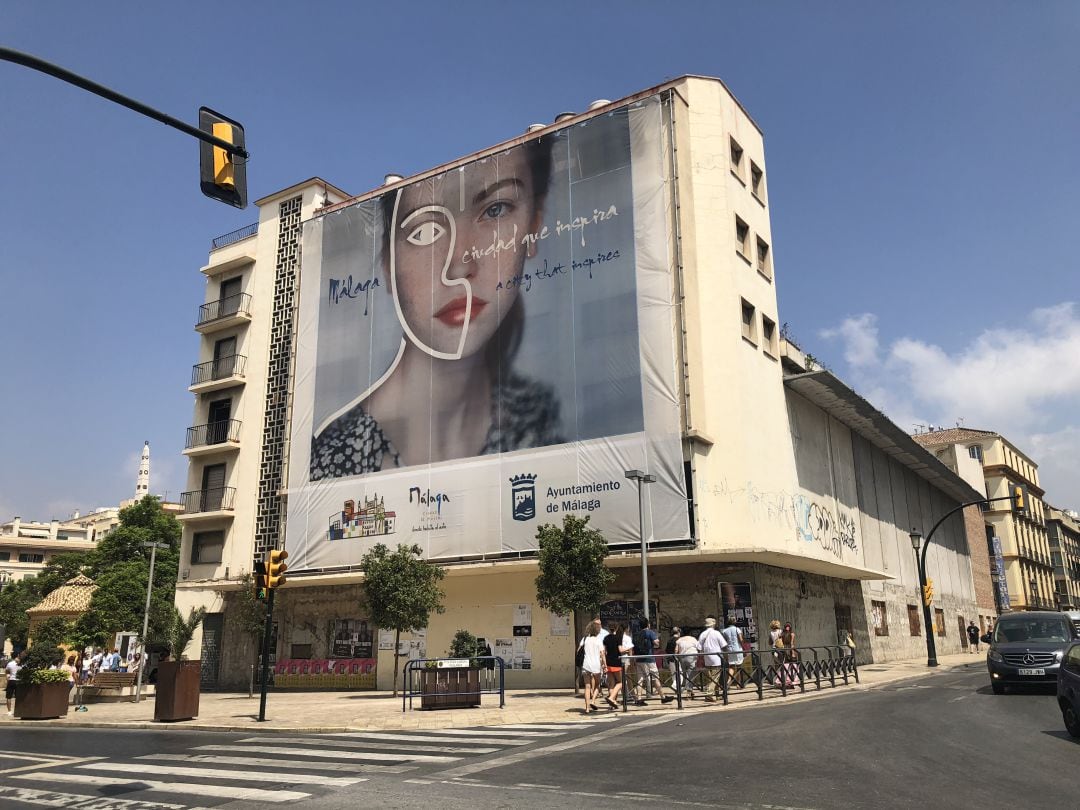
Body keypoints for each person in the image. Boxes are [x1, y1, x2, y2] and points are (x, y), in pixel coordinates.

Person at [310, 138, 562, 479]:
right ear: (387, 264)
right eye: (425, 231)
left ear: (534, 225)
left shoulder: (538, 413)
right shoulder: (331, 460)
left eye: (496, 210)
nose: (458, 267)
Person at [632, 618, 672, 705]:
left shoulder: (636, 634)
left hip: (638, 659)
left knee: (640, 679)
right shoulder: (650, 632)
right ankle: (663, 697)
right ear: (648, 624)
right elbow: (656, 643)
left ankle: (639, 699)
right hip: (649, 659)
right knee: (655, 678)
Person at [698, 617, 728, 702]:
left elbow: (699, 647)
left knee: (711, 677)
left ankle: (717, 694)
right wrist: (726, 655)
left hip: (707, 658)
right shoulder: (716, 633)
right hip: (716, 658)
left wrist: (702, 658)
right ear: (713, 624)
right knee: (715, 677)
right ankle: (709, 694)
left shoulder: (702, 634)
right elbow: (724, 645)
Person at [580, 623, 606, 714]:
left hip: (586, 664)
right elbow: (602, 654)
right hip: (596, 665)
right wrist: (605, 665)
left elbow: (579, 650)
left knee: (587, 687)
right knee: (597, 685)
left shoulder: (585, 639)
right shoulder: (598, 640)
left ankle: (587, 708)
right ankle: (593, 701)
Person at [601, 623, 628, 709]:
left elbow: (604, 652)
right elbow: (620, 650)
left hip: (608, 662)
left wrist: (604, 664)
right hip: (616, 662)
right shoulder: (618, 638)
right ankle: (611, 698)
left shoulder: (606, 638)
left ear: (609, 629)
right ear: (616, 629)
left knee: (611, 684)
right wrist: (628, 650)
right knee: (620, 682)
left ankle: (612, 703)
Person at [673, 628, 702, 699]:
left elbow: (676, 650)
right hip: (692, 657)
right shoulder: (693, 639)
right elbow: (699, 648)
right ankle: (689, 691)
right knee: (691, 675)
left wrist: (676, 658)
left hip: (682, 658)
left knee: (685, 674)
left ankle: (690, 691)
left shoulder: (679, 640)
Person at [721, 617, 745, 688]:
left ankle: (729, 681)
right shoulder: (737, 629)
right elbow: (741, 639)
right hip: (738, 649)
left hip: (730, 650)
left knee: (731, 666)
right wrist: (743, 644)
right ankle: (738, 684)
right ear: (734, 622)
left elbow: (724, 642)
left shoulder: (724, 631)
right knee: (738, 666)